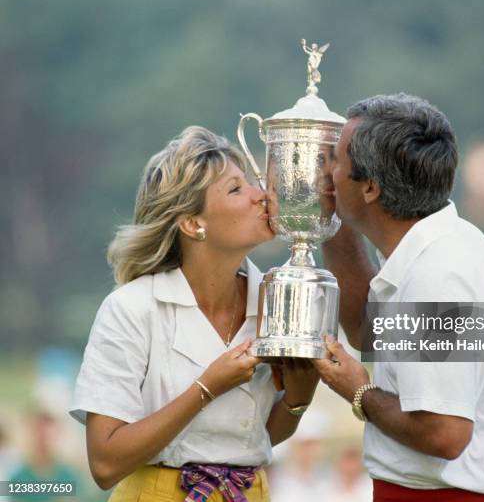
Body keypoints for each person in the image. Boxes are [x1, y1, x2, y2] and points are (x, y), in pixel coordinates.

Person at [69, 126, 319, 502]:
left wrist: (298, 399)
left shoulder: (276, 299)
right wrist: (207, 388)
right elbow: (104, 464)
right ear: (193, 223)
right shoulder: (131, 309)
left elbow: (257, 436)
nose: (262, 196)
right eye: (237, 189)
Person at [313, 94, 484, 501]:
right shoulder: (433, 249)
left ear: (370, 187)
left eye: (335, 161)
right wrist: (332, 221)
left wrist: (359, 391)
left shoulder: (437, 275)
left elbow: (445, 433)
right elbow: (365, 330)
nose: (327, 173)